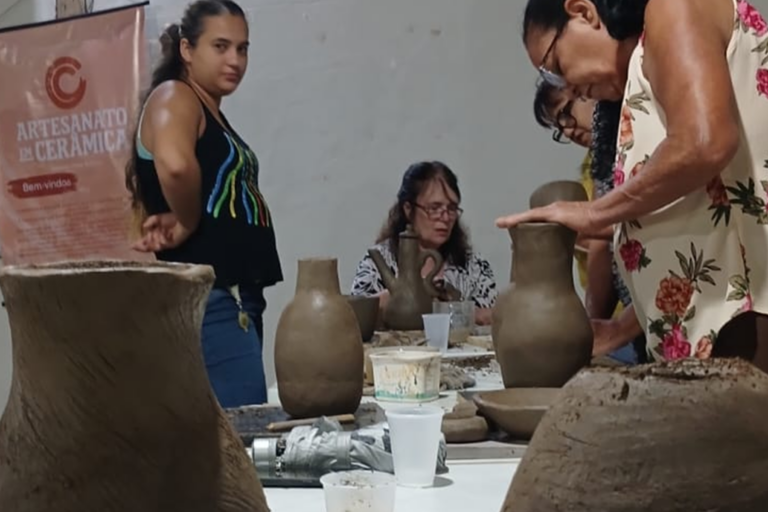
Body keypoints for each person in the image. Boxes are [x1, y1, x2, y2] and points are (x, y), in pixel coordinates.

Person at [498, 0, 768, 370]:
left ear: (583, 11)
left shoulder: (673, 7)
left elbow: (706, 142)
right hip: (722, 336)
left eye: (558, 68)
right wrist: (622, 327)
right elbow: (698, 216)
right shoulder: (643, 73)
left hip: (750, 330)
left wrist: (593, 213)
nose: (570, 88)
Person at [125, 0, 283, 407]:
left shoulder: (205, 108)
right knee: (240, 440)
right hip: (215, 299)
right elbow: (176, 166)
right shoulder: (175, 95)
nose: (235, 59)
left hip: (234, 298)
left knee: (232, 438)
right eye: (221, 46)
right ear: (187, 50)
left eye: (243, 48)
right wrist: (186, 220)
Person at [534, 81, 645, 365]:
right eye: (560, 129)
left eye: (565, 114)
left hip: (667, 304)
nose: (568, 131)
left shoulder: (643, 129)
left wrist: (619, 328)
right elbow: (600, 246)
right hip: (636, 314)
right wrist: (591, 326)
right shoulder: (601, 156)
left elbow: (661, 224)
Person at [351, 161, 498, 326]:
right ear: (408, 209)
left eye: (451, 208)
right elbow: (353, 318)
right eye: (434, 208)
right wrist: (389, 299)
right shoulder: (377, 264)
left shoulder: (474, 266)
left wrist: (458, 311)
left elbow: (494, 318)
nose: (445, 217)